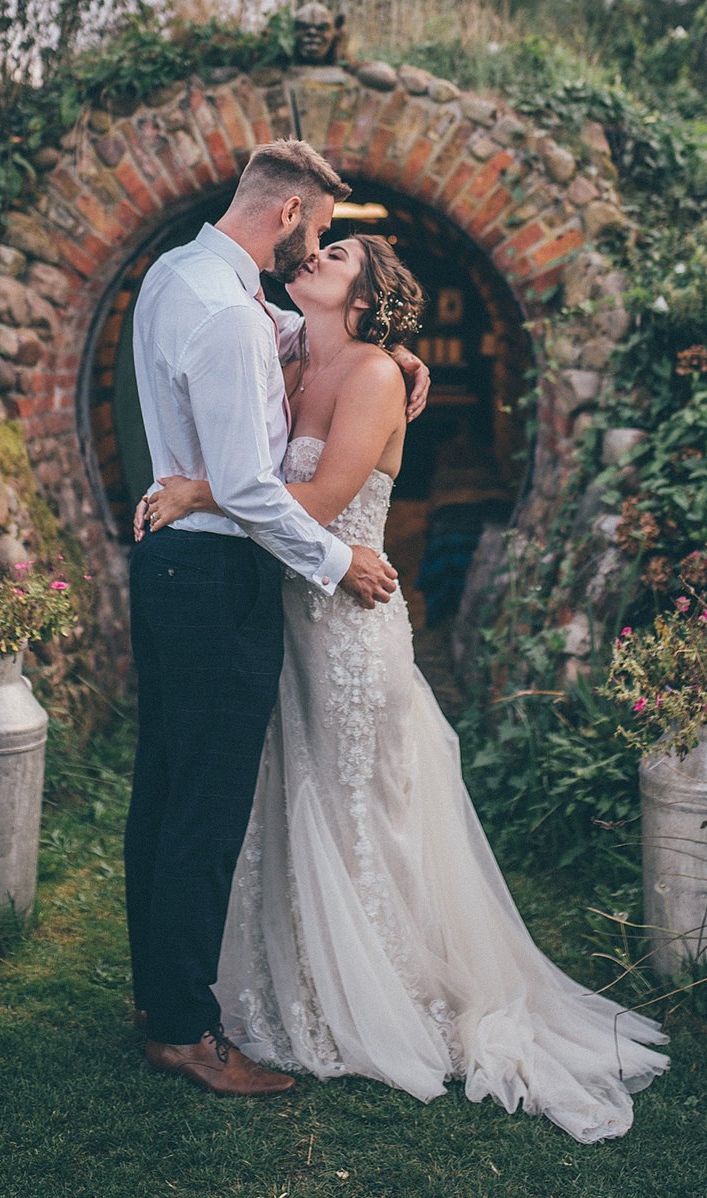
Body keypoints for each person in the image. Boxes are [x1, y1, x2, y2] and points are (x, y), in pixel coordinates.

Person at [137, 229, 670, 1141]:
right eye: (318, 248)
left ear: (366, 294)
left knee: (362, 809)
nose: (311, 257)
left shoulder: (378, 378)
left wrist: (198, 493)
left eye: (336, 256)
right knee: (285, 802)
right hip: (288, 622)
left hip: (348, 632)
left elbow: (313, 500)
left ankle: (388, 989)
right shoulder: (288, 352)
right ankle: (284, 980)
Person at [124, 140, 422, 1097]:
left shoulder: (178, 279)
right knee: (206, 811)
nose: (320, 245)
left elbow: (312, 370)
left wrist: (389, 348)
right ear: (292, 212)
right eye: (324, 229)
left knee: (165, 794)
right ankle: (181, 1028)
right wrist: (343, 566)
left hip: (177, 569)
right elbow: (255, 490)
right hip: (219, 579)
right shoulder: (234, 316)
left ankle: (160, 998)